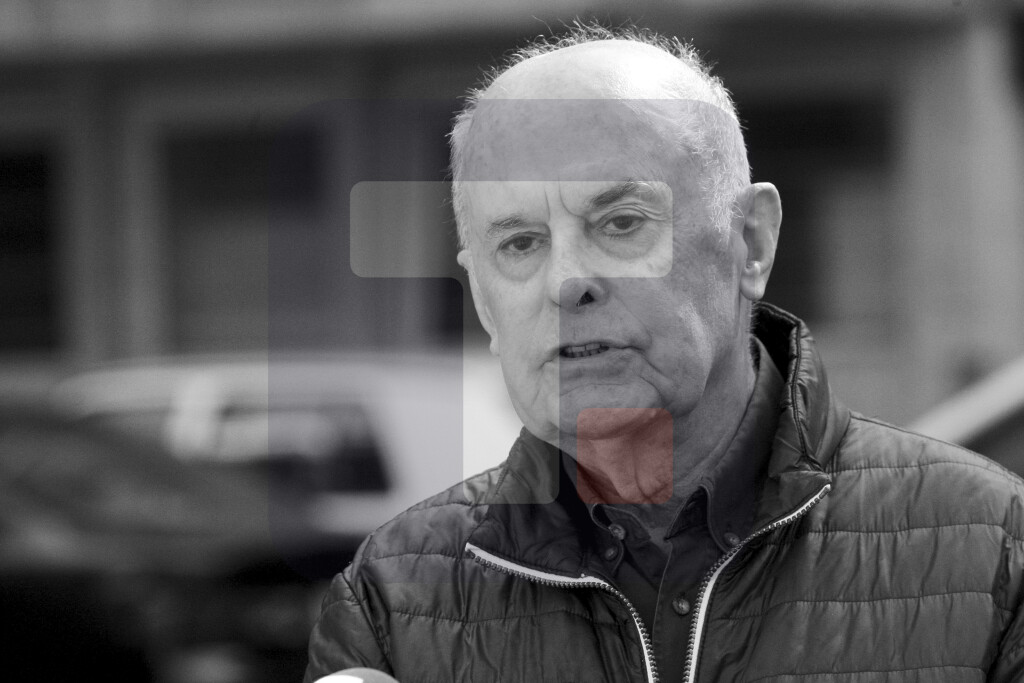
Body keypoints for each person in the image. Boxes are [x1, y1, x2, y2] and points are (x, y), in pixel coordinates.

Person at [305, 25, 1024, 682]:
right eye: (520, 243)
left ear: (751, 242)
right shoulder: (391, 602)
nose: (566, 282)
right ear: (485, 301)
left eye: (621, 223)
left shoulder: (995, 549)